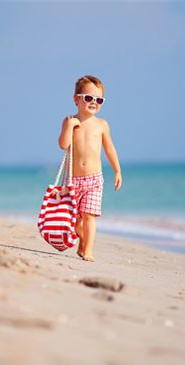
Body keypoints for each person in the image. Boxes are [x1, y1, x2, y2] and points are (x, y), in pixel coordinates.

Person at [58, 75, 122, 262]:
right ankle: (82, 242)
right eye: (88, 98)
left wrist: (117, 170)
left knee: (89, 216)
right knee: (76, 222)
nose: (93, 102)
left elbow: (109, 148)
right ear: (76, 99)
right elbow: (63, 145)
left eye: (99, 99)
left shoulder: (102, 125)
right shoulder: (69, 121)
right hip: (73, 180)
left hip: (94, 179)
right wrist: (69, 126)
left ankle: (88, 251)